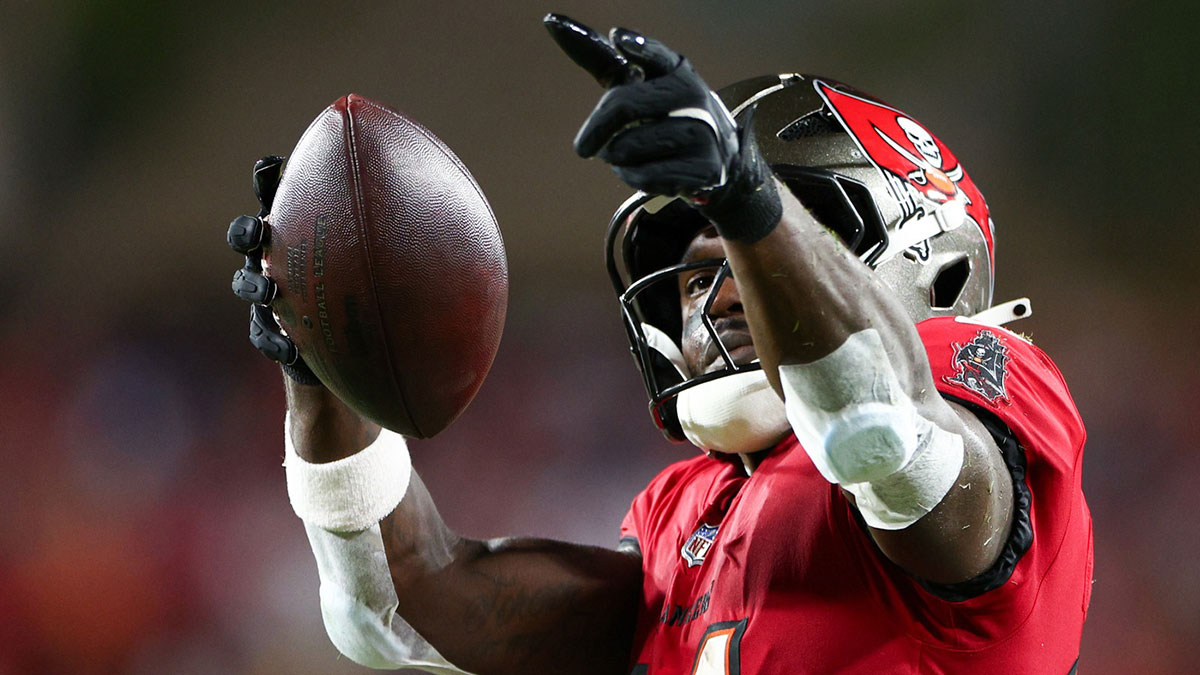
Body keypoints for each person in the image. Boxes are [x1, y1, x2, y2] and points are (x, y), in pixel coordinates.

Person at [226, 15, 1092, 674]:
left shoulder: (991, 395)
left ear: (932, 268)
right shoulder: (691, 511)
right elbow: (400, 603)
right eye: (696, 274)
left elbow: (880, 429)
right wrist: (320, 372)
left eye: (751, 257)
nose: (719, 294)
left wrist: (748, 199)